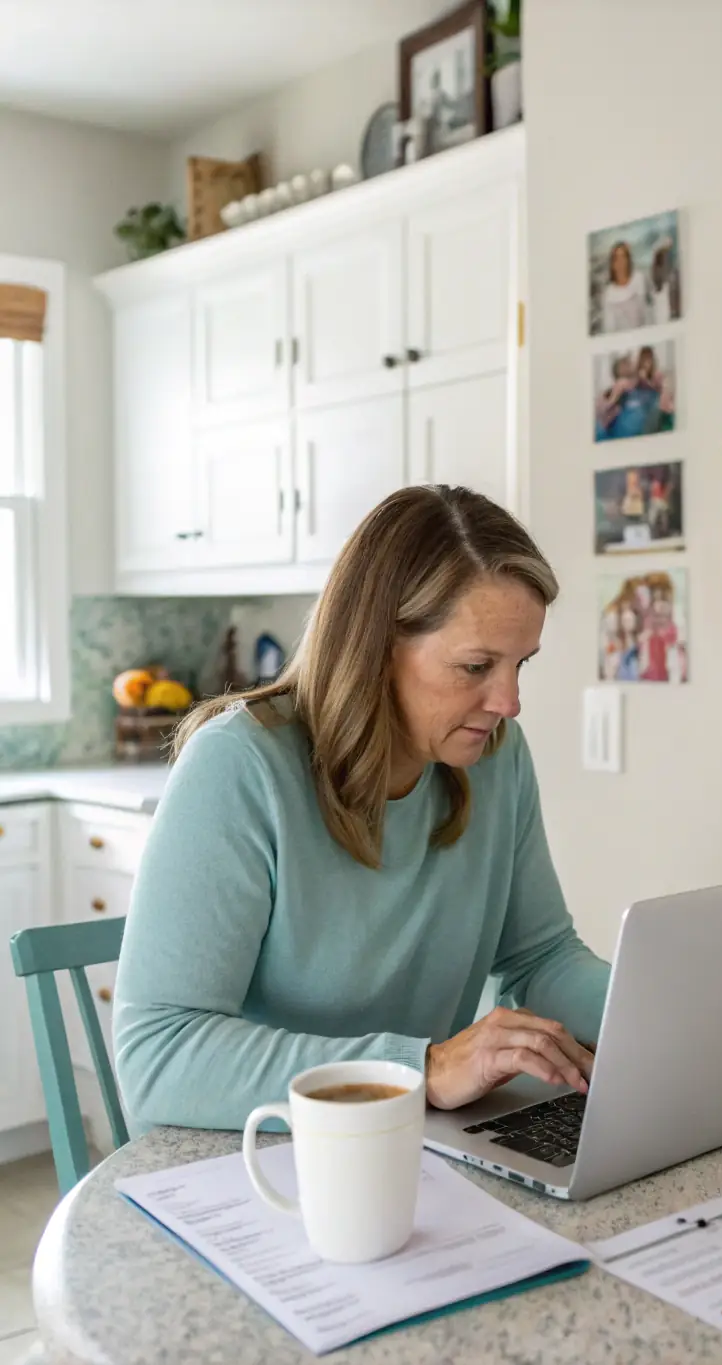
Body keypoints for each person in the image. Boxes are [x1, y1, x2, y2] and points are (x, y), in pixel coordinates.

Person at [113, 486, 611, 1132]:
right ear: (377, 646)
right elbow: (158, 1055)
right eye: (476, 665)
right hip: (256, 1162)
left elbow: (539, 957)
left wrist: (656, 1017)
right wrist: (417, 1069)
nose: (509, 701)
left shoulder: (496, 757)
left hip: (413, 1148)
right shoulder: (238, 768)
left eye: (521, 664)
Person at [601, 241, 648, 333]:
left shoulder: (638, 278)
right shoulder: (609, 293)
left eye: (623, 257)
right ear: (612, 264)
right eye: (617, 259)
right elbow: (609, 327)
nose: (620, 262)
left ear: (628, 260)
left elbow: (644, 311)